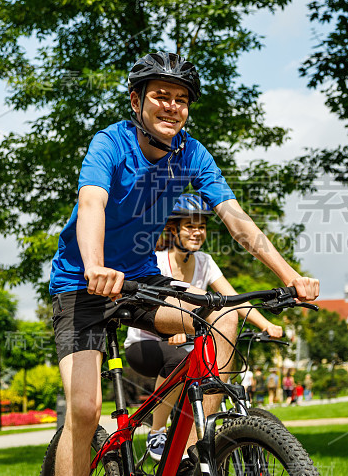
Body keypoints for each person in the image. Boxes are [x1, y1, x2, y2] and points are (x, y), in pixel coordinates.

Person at [49, 52, 319, 476]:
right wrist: (95, 265)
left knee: (223, 316)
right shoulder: (110, 143)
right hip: (82, 283)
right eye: (161, 95)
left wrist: (290, 276)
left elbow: (235, 219)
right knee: (85, 411)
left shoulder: (191, 153)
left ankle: (193, 450)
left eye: (181, 99)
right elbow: (91, 204)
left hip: (140, 280)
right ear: (136, 101)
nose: (172, 106)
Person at [123, 193, 283, 461]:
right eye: (190, 226)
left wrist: (266, 323)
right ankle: (157, 430)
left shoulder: (205, 262)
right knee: (178, 360)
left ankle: (193, 443)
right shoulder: (157, 261)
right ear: (173, 230)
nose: (198, 232)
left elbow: (231, 300)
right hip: (145, 344)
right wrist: (172, 330)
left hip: (186, 344)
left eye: (202, 227)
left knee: (213, 363)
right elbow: (147, 307)